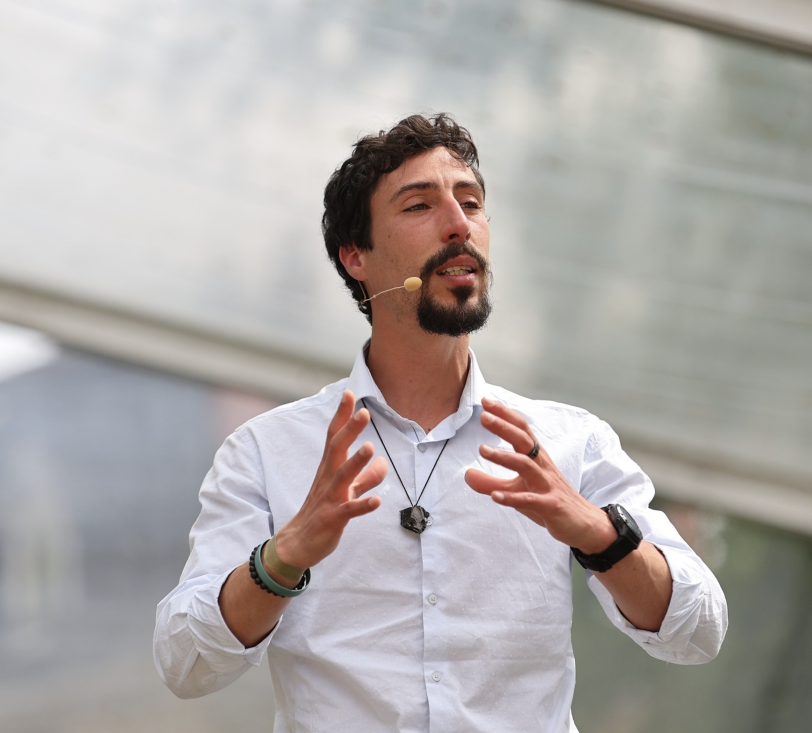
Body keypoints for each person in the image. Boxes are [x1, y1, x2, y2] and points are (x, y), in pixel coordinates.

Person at [154, 113, 727, 732]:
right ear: (356, 256)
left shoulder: (570, 442)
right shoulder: (268, 451)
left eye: (472, 203)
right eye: (419, 205)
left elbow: (697, 632)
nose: (459, 224)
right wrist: (282, 559)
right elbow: (186, 665)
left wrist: (598, 533)